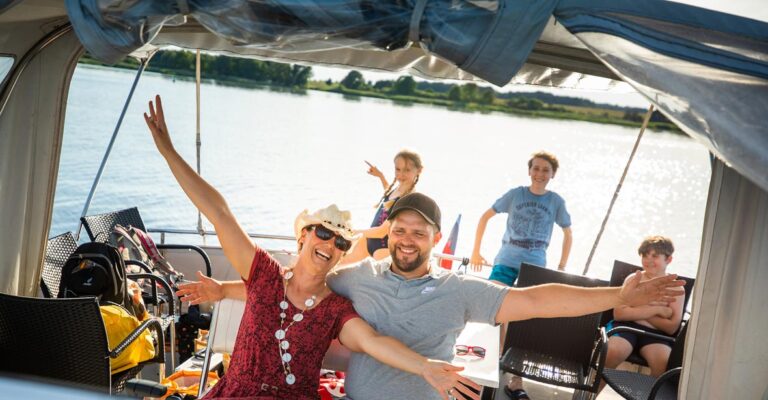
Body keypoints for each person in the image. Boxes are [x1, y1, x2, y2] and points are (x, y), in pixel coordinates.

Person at [178, 192, 685, 400]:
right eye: (400, 229)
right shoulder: (357, 277)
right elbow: (288, 290)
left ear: (436, 240)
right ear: (388, 234)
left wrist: (614, 294)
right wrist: (222, 289)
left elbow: (536, 301)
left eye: (419, 233)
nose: (407, 239)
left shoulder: (458, 289)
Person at [143, 95, 478, 400]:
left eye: (341, 242)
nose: (330, 243)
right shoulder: (265, 276)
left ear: (343, 255)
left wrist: (424, 367)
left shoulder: (335, 308)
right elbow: (219, 212)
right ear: (303, 237)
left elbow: (373, 342)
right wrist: (169, 153)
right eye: (323, 233)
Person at [469, 150, 572, 398]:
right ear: (529, 171)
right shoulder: (516, 194)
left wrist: (561, 265)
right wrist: (475, 251)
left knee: (525, 322)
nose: (539, 174)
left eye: (545, 170)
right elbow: (485, 216)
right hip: (505, 261)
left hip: (535, 266)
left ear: (552, 174)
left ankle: (517, 379)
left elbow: (568, 233)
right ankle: (490, 364)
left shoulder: (556, 201)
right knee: (490, 309)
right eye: (536, 168)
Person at [603, 236, 685, 379]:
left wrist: (637, 308)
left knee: (664, 362)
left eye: (655, 256)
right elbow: (619, 314)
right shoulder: (633, 279)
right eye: (645, 255)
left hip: (655, 335)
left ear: (669, 259)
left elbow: (672, 327)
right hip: (625, 327)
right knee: (613, 351)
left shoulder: (676, 288)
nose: (648, 260)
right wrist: (657, 310)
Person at [340, 150, 423, 263]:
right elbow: (388, 195)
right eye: (398, 169)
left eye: (407, 170)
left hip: (383, 248)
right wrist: (381, 176)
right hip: (368, 241)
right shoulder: (397, 190)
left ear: (419, 170)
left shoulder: (408, 200)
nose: (401, 174)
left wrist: (352, 232)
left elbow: (381, 232)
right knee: (338, 266)